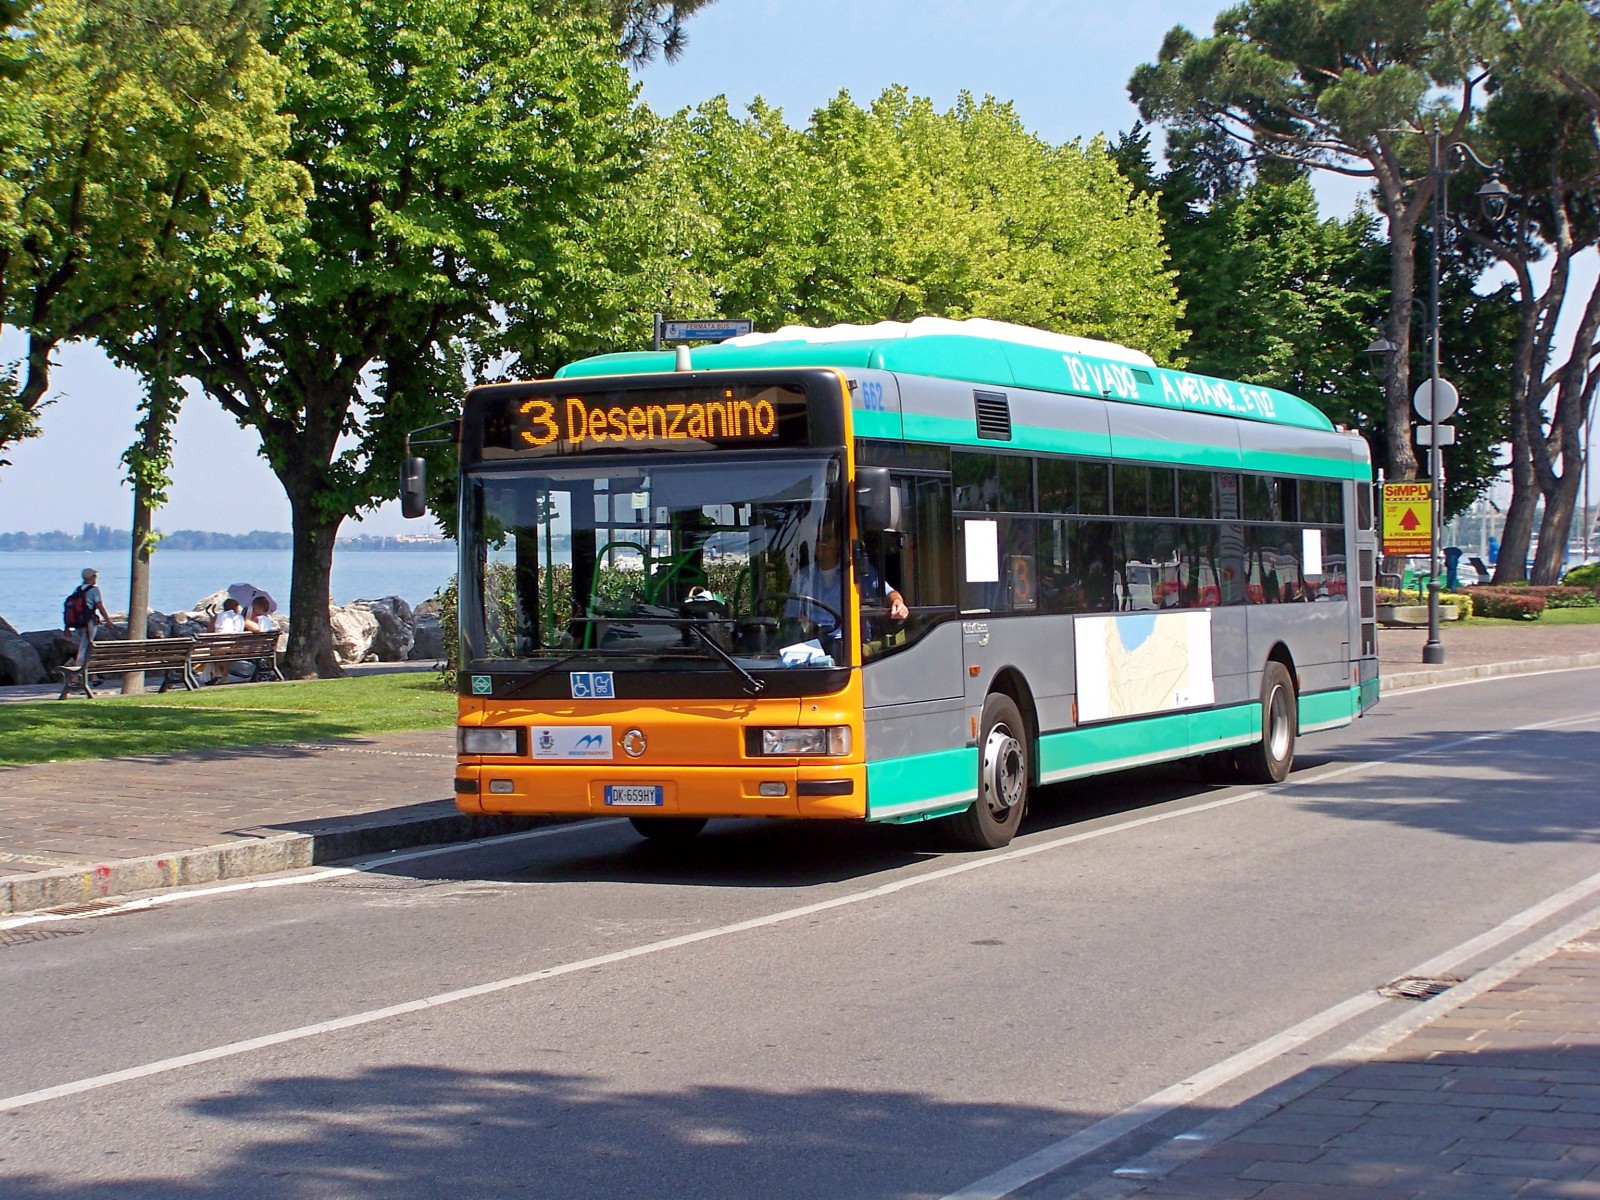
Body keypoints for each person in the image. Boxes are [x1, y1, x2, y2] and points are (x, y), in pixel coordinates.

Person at [787, 524, 907, 647]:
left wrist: (897, 602)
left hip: (849, 646)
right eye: (817, 539)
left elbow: (889, 593)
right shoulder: (802, 577)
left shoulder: (859, 571)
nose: (821, 543)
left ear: (838, 542)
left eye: (827, 538)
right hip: (813, 645)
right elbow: (791, 619)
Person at [66, 567, 113, 666]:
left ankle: (92, 677)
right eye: (95, 576)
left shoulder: (77, 589)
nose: (96, 578)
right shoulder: (94, 590)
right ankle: (76, 676)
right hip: (89, 623)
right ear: (91, 578)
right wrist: (108, 621)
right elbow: (100, 607)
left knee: (85, 647)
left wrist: (67, 627)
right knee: (84, 648)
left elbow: (71, 608)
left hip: (78, 623)